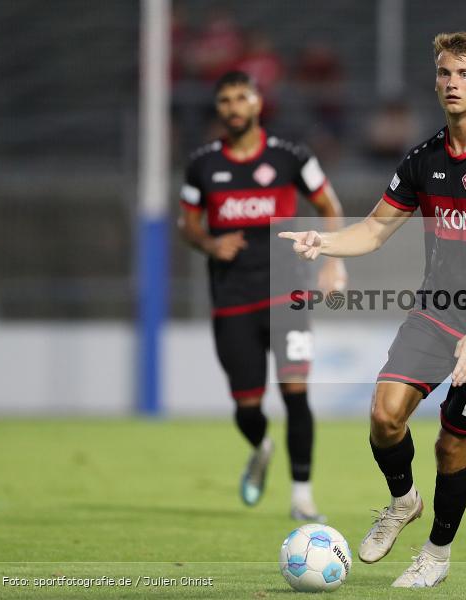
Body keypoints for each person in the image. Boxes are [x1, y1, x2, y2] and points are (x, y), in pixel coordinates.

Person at [280, 32, 466, 588]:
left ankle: (437, 555)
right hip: (437, 310)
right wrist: (322, 243)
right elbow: (375, 230)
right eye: (446, 73)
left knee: (452, 444)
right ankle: (403, 501)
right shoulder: (423, 159)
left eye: (465, 74)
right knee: (384, 414)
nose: (453, 83)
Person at [178, 71, 346, 521]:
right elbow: (186, 223)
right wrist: (211, 244)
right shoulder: (202, 165)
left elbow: (329, 205)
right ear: (220, 109)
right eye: (225, 100)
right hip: (232, 299)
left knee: (296, 393)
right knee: (246, 407)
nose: (234, 107)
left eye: (241, 98)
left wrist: (332, 259)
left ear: (256, 103)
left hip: (287, 292)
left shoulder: (291, 156)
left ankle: (302, 497)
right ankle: (261, 445)